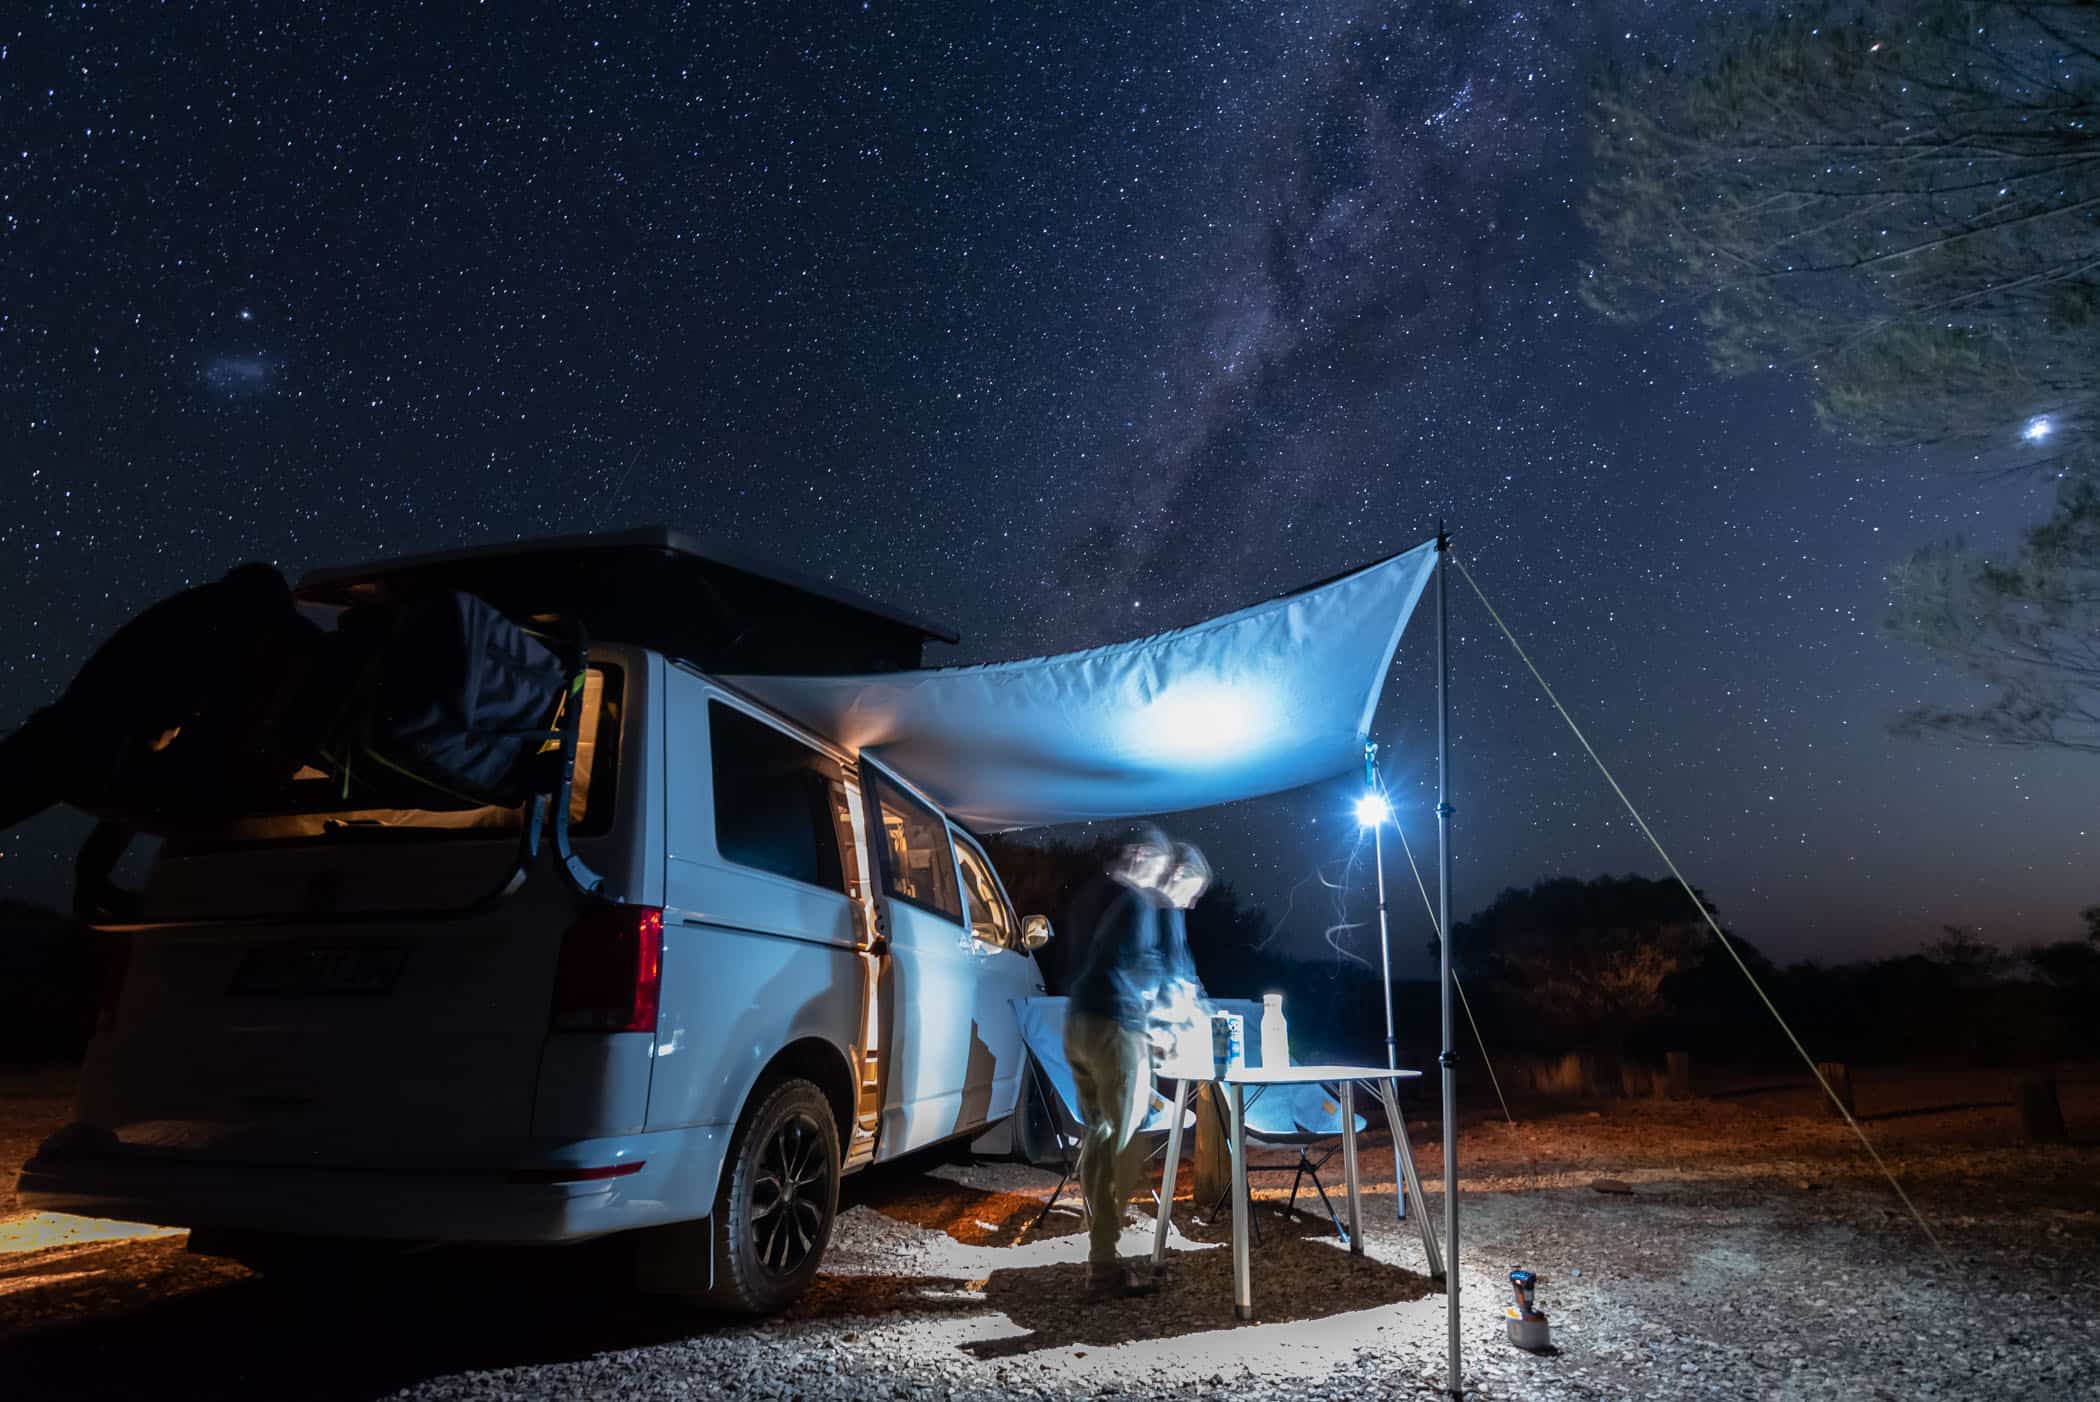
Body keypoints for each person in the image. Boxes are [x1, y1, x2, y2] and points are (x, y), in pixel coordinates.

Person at [1062, 823, 1174, 1299]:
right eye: (1160, 866)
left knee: (1100, 1136)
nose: (1161, 878)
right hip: (1114, 1027)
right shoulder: (1137, 902)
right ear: (1142, 856)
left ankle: (1099, 1256)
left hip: (1077, 1023)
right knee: (1124, 1147)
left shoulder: (1091, 896)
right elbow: (1142, 970)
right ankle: (1104, 1266)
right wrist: (1157, 1024)